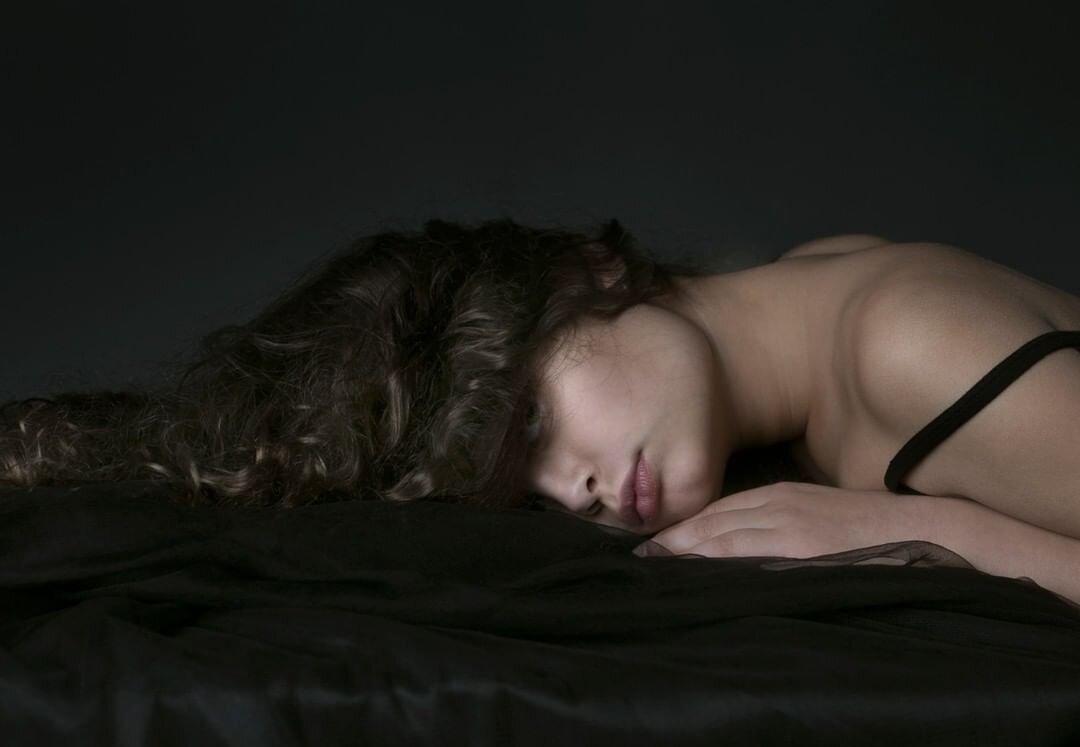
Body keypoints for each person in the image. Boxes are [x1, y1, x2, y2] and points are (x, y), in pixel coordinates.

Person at [3, 219, 1079, 545]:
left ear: (587, 276)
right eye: (534, 488)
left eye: (531, 418)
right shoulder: (821, 280)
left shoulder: (908, 348)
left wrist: (913, 530)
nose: (576, 490)